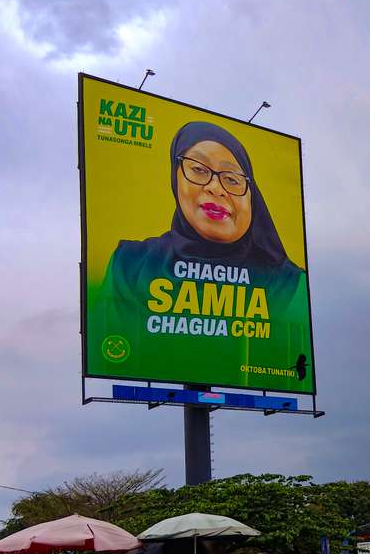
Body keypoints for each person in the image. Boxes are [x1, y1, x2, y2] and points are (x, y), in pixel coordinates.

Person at [91, 120, 308, 378]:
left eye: (232, 179)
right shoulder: (130, 265)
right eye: (198, 169)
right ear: (175, 176)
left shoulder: (288, 283)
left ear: (252, 196)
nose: (215, 188)